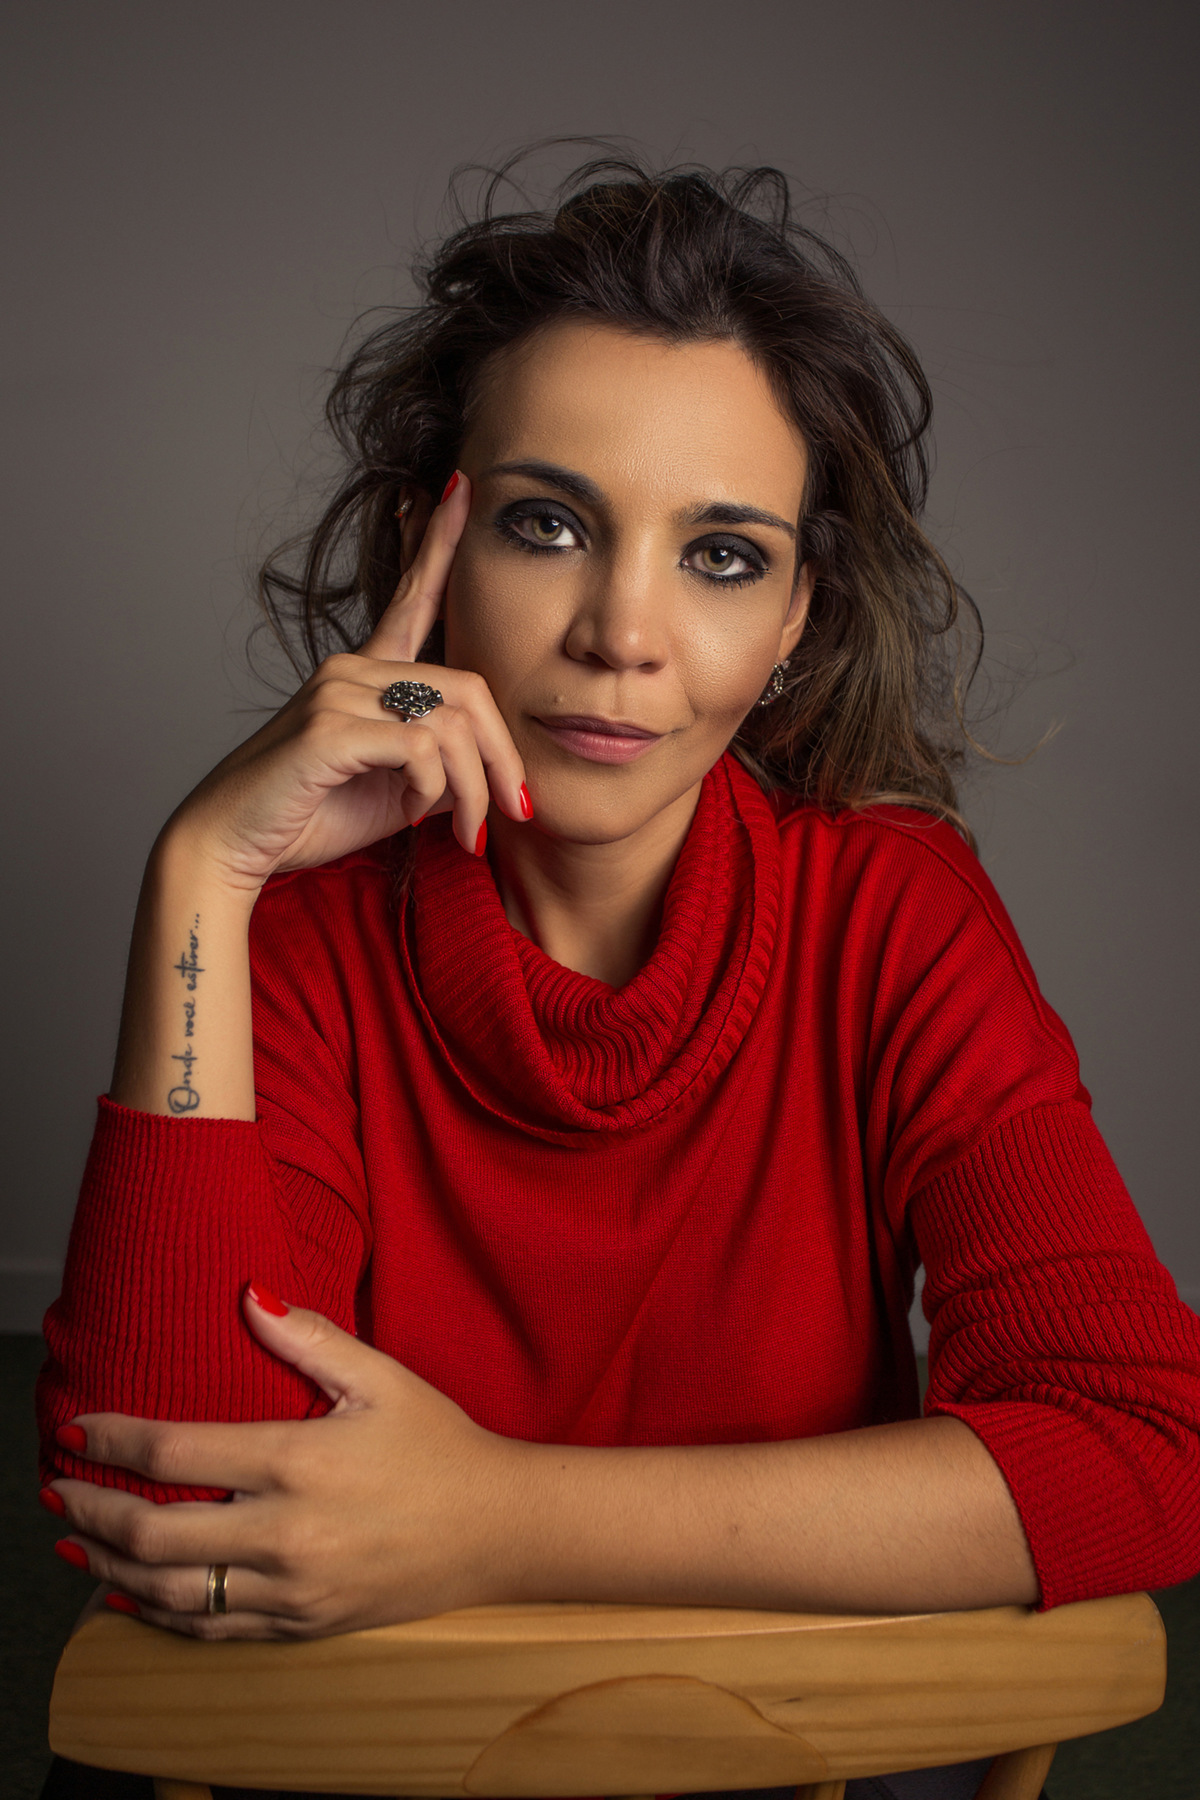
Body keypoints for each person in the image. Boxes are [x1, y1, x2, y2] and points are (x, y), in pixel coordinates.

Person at [35, 154, 1200, 1800]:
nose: (623, 633)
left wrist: (498, 1518)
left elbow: (1144, 1450)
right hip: (385, 1757)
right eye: (549, 525)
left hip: (800, 1747)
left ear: (795, 616)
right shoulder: (295, 932)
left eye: (721, 555)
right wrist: (200, 878)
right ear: (428, 547)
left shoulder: (894, 914)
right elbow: (178, 1523)